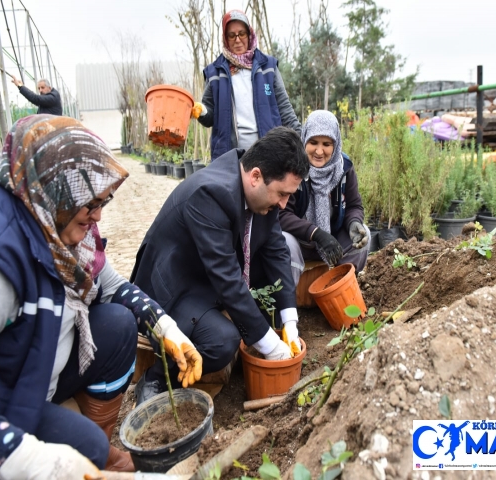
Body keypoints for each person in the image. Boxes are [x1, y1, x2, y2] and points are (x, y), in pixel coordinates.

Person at [0, 115, 202, 479]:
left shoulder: (52, 223)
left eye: (104, 201)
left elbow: (115, 287)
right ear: (54, 186)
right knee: (81, 447)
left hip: (28, 371)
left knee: (118, 324)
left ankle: (96, 447)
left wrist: (165, 328)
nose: (98, 215)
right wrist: (24, 459)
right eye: (90, 203)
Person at [131, 126, 309, 405]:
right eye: (282, 194)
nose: (285, 204)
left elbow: (277, 253)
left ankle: (251, 333)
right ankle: (155, 379)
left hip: (207, 275)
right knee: (223, 342)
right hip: (175, 287)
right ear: (255, 177)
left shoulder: (261, 192)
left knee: (278, 265)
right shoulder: (210, 194)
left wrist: (289, 322)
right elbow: (227, 279)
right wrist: (271, 347)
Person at [191, 9, 301, 159]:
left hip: (269, 155)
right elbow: (210, 116)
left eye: (241, 33)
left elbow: (285, 109)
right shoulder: (215, 72)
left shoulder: (268, 67)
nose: (237, 39)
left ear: (249, 35)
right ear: (225, 38)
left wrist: (302, 142)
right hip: (230, 158)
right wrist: (201, 111)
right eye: (231, 35)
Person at [279, 110, 370, 285]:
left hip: (332, 240)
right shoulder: (293, 167)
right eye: (313, 142)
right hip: (301, 243)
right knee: (284, 241)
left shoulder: (344, 169)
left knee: (364, 235)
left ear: (335, 144)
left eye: (326, 144)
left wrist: (354, 223)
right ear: (304, 140)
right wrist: (315, 233)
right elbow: (282, 215)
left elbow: (354, 206)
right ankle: (291, 299)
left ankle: (340, 288)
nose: (319, 151)